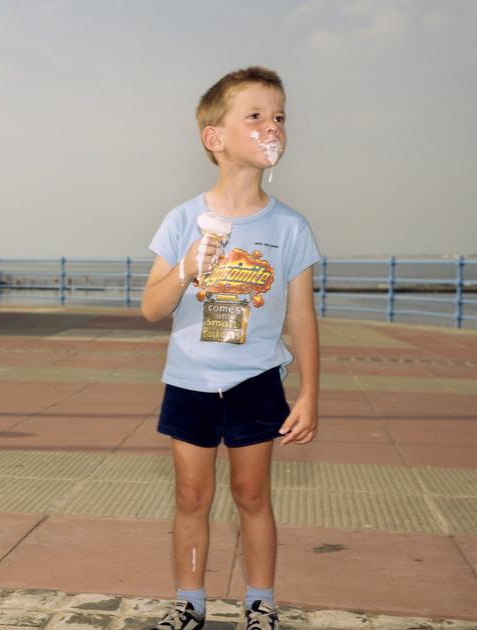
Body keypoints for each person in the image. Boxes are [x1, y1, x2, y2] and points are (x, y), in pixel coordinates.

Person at [139, 67, 321, 630]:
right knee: (191, 497)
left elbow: (301, 316)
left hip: (256, 379)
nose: (273, 127)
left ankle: (260, 603)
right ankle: (188, 603)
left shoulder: (289, 227)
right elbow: (151, 308)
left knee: (252, 495)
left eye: (280, 117)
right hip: (190, 379)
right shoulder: (181, 220)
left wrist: (310, 393)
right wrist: (186, 268)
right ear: (214, 137)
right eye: (256, 116)